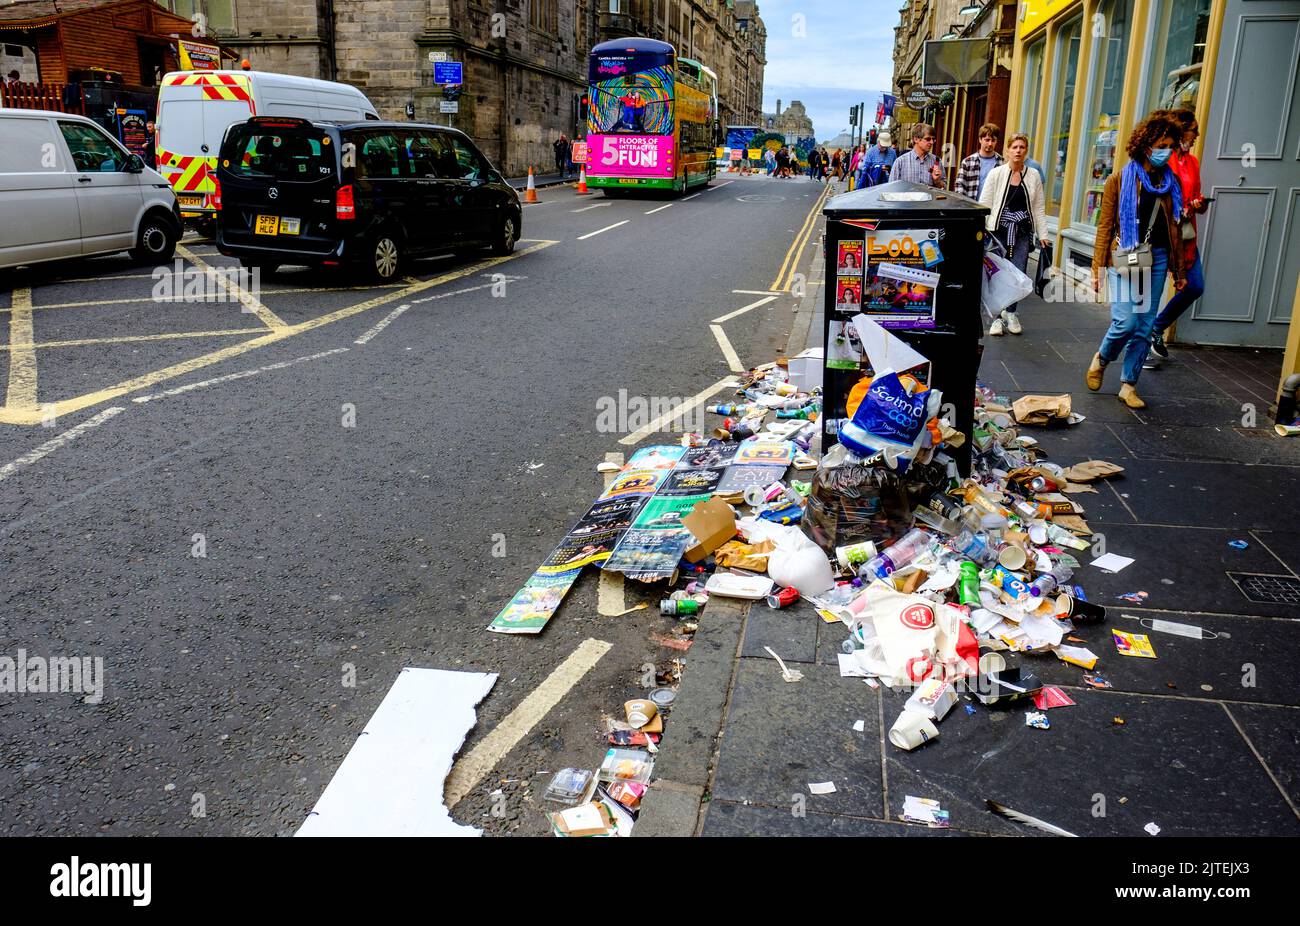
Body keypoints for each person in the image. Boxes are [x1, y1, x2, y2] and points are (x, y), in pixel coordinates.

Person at [1087, 112, 1187, 409]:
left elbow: (1176, 229)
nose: (1166, 151)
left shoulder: (1171, 182)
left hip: (1156, 259)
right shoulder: (1119, 179)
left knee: (1144, 326)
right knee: (1126, 321)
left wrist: (1178, 269)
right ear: (1146, 145)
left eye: (1170, 145)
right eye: (1162, 144)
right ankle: (1103, 357)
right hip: (1127, 256)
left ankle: (1129, 384)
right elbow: (1105, 226)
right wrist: (1097, 269)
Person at [1149, 108, 1210, 361]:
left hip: (1185, 236)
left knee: (1195, 285)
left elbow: (1195, 194)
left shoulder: (1193, 161)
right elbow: (1158, 197)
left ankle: (1156, 328)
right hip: (1164, 237)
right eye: (1193, 131)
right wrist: (1182, 208)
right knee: (1150, 296)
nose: (1196, 136)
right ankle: (1140, 354)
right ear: (1182, 130)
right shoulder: (1166, 159)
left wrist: (1199, 203)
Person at [979, 133, 1049, 336]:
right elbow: (985, 203)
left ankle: (1012, 313)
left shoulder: (1033, 175)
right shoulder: (997, 174)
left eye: (1022, 147)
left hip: (1021, 233)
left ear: (1026, 151)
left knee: (1018, 273)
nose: (1018, 151)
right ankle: (997, 318)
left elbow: (1038, 208)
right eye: (1015, 147)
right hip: (998, 232)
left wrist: (1043, 234)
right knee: (998, 274)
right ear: (1008, 150)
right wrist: (982, 230)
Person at [956, 123, 1005, 200]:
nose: (990, 144)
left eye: (993, 140)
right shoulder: (968, 162)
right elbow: (959, 187)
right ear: (980, 139)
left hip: (993, 208)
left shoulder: (1002, 163)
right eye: (987, 140)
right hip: (972, 207)